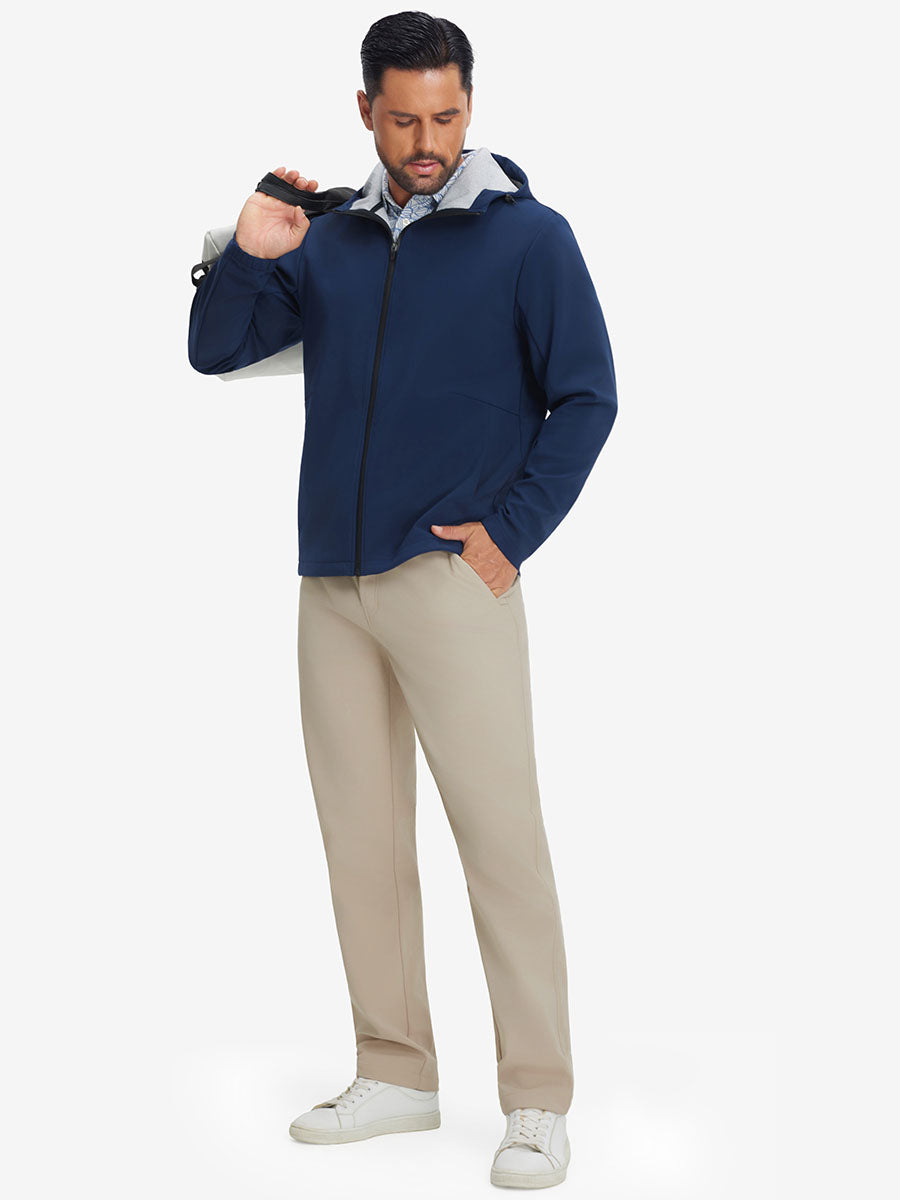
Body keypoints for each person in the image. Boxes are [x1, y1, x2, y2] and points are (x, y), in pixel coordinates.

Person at [188, 10, 617, 1189]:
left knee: (501, 843)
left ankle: (536, 1100)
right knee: (361, 840)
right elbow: (215, 350)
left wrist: (509, 538)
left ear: (469, 104)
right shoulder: (325, 237)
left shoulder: (529, 238)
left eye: (447, 116)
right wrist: (251, 249)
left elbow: (588, 396)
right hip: (331, 583)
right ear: (364, 110)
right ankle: (397, 1071)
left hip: (450, 580)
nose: (427, 142)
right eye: (403, 118)